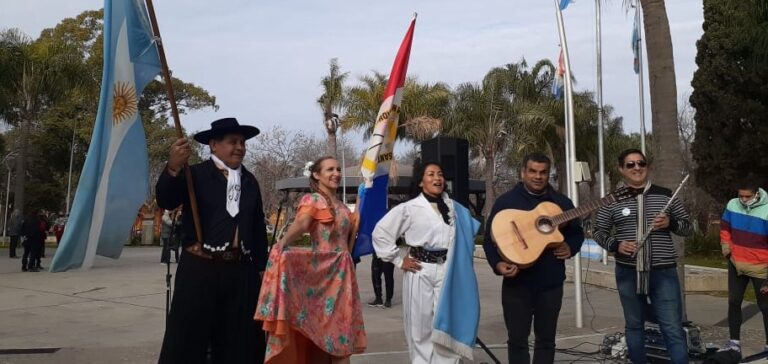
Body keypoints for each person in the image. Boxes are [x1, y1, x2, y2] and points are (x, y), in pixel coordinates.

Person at [155, 117, 269, 364]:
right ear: (214, 145)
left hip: (240, 271)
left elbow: (258, 227)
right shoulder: (194, 174)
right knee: (190, 338)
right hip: (200, 268)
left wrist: (262, 269)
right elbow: (166, 200)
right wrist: (173, 168)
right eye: (232, 142)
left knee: (239, 340)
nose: (239, 147)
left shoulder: (250, 182)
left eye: (242, 142)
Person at [255, 156, 366, 364]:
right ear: (316, 175)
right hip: (322, 278)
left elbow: (349, 243)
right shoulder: (313, 200)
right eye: (330, 169)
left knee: (342, 336)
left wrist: (362, 203)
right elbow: (303, 223)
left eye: (338, 169)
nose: (336, 173)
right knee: (325, 333)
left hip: (343, 276)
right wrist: (281, 244)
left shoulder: (342, 206)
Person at [373, 161, 481, 364]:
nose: (437, 178)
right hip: (420, 269)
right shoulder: (410, 208)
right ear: (421, 182)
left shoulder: (456, 210)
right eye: (430, 174)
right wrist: (398, 259)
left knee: (448, 325)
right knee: (420, 328)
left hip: (449, 272)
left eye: (440, 174)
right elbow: (381, 233)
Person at [482, 153, 584, 364]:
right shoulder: (506, 201)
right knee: (517, 340)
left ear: (548, 174)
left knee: (546, 340)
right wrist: (498, 264)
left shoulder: (561, 202)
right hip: (517, 284)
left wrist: (570, 247)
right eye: (533, 171)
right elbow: (488, 241)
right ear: (523, 173)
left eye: (543, 172)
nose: (538, 176)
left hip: (551, 284)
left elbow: (577, 233)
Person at [593, 148, 693, 364]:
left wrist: (671, 223)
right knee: (634, 325)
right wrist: (616, 244)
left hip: (663, 272)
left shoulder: (666, 195)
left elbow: (687, 227)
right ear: (622, 169)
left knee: (672, 327)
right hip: (628, 272)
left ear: (647, 167)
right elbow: (598, 231)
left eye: (641, 163)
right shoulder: (611, 200)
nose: (637, 168)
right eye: (631, 164)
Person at [719, 177, 768, 355]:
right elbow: (725, 227)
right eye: (741, 196)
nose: (743, 200)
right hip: (736, 264)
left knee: (765, 307)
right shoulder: (733, 204)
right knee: (733, 302)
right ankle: (734, 343)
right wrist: (726, 247)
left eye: (747, 197)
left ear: (756, 194)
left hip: (761, 268)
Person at [356, 183, 395, 308]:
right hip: (376, 251)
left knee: (388, 275)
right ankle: (378, 298)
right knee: (375, 274)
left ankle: (388, 299)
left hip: (388, 250)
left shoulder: (388, 214)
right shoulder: (371, 216)